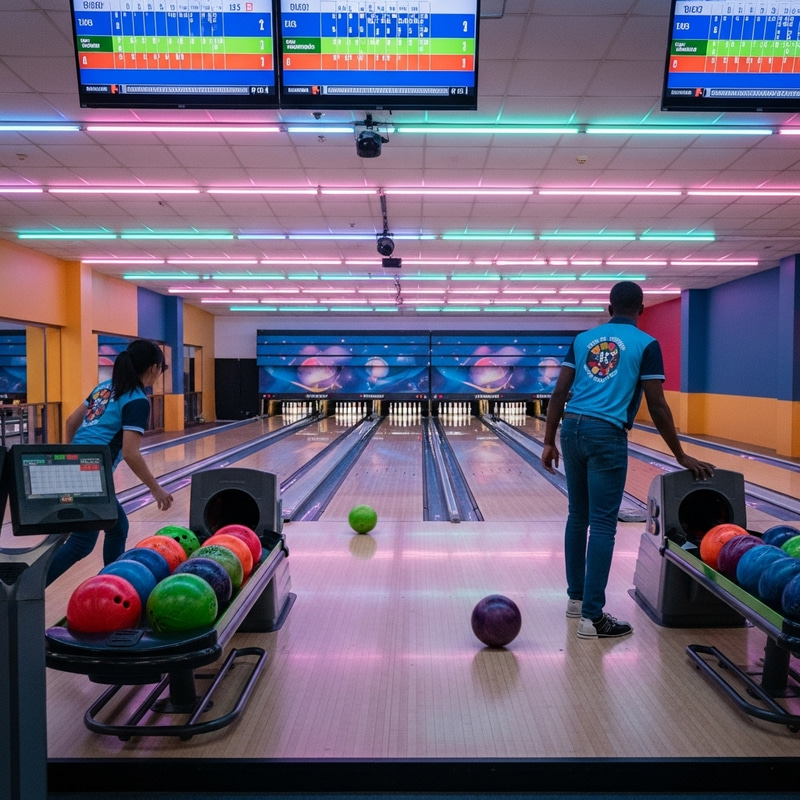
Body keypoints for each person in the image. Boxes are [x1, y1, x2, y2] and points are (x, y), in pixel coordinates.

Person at [541, 282, 715, 639]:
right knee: (603, 525)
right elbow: (657, 404)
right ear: (641, 309)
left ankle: (576, 601)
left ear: (609, 308)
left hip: (571, 427)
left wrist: (547, 441)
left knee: (578, 516)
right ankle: (593, 617)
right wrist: (679, 454)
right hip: (606, 433)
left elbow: (559, 392)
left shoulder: (583, 339)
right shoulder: (647, 345)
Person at [47, 339, 174, 585]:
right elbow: (130, 452)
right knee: (81, 543)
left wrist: (72, 456)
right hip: (91, 472)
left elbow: (71, 422)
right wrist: (155, 488)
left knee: (117, 527)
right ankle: (22, 593)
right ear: (154, 368)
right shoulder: (137, 399)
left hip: (74, 465)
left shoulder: (103, 388)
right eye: (162, 369)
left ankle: (113, 581)